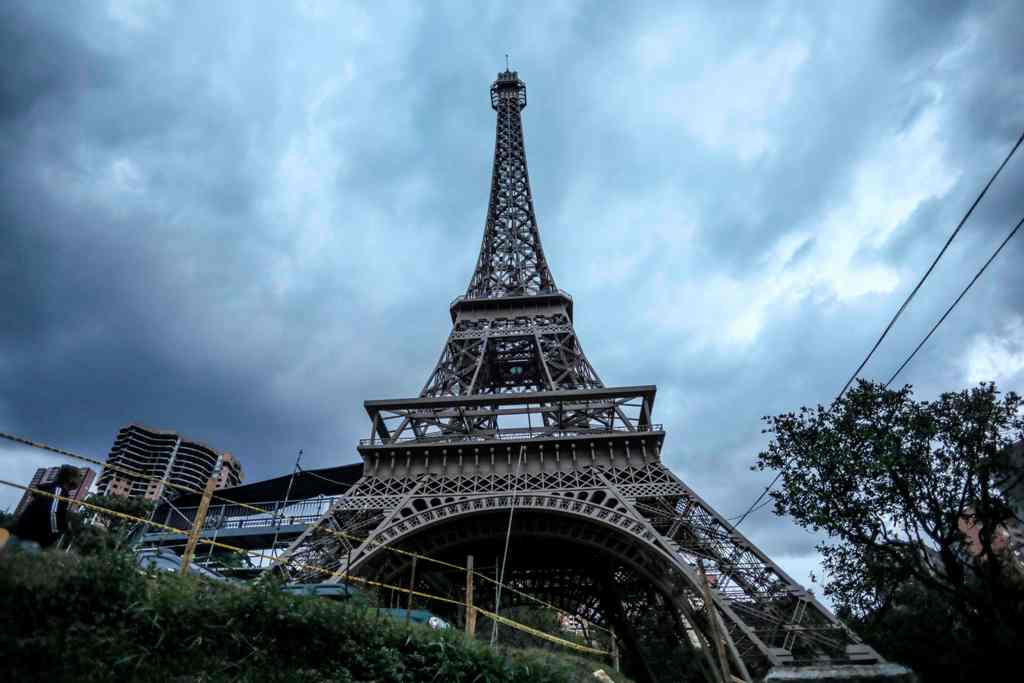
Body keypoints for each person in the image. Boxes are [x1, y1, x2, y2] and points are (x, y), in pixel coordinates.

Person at [5, 465, 83, 552]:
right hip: (31, 539)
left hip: (23, 535)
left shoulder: (54, 490)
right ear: (71, 479)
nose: (80, 481)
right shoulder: (58, 491)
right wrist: (55, 532)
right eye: (79, 477)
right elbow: (52, 512)